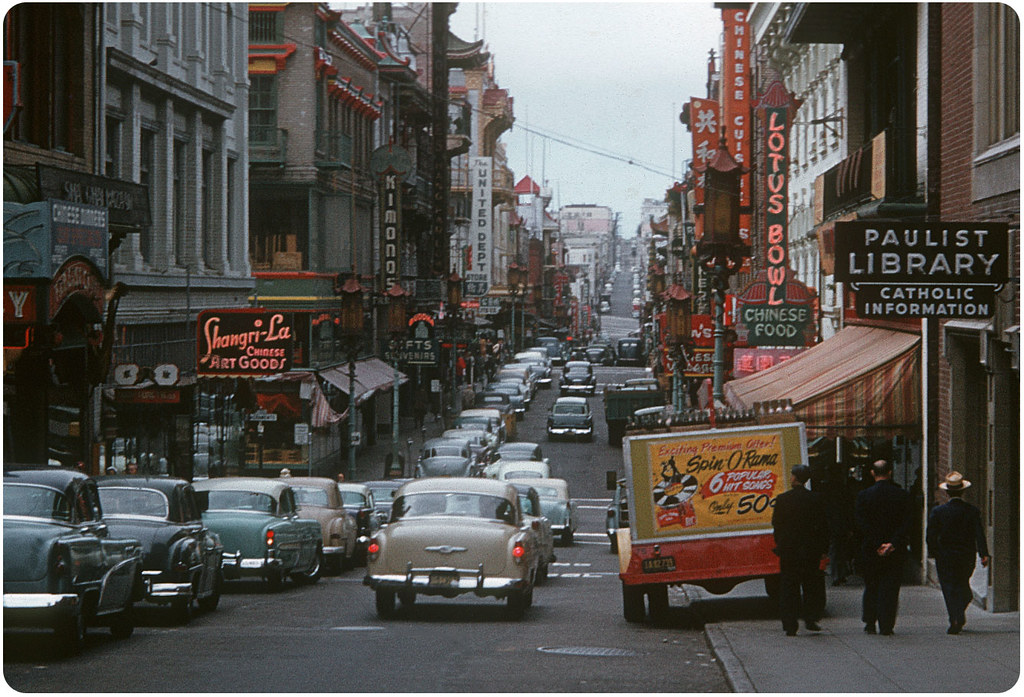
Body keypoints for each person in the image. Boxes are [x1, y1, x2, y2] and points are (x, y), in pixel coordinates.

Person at [926, 471, 990, 634]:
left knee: (949, 587)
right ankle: (957, 615)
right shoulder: (971, 511)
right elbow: (979, 533)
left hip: (945, 555)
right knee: (962, 584)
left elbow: (931, 535)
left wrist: (934, 552)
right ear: (962, 491)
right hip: (966, 555)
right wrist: (983, 553)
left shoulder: (938, 512)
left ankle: (955, 616)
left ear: (946, 492)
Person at [771, 464, 830, 636]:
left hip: (789, 550)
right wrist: (823, 549)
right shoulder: (816, 499)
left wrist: (780, 544)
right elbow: (823, 526)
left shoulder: (782, 500)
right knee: (811, 584)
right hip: (810, 550)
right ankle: (811, 618)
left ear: (794, 478)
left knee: (789, 587)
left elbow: (777, 525)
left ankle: (790, 624)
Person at [855, 459, 911, 636]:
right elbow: (907, 522)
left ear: (873, 473)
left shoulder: (863, 496)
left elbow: (860, 523)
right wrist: (892, 543)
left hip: (871, 549)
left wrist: (877, 543)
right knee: (890, 587)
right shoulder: (902, 495)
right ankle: (886, 624)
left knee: (871, 585)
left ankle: (870, 621)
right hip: (895, 550)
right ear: (890, 473)